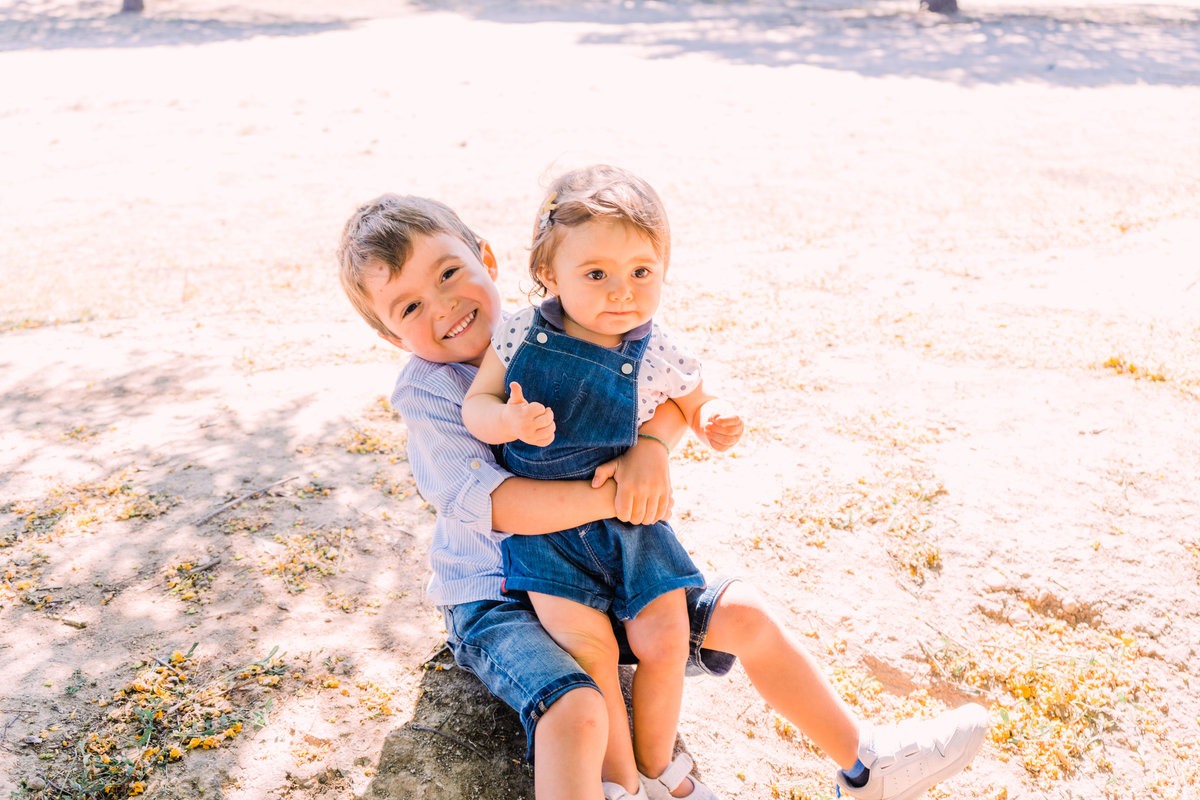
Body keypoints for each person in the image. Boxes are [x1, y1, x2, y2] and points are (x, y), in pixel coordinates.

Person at [335, 191, 989, 800]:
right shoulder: (429, 392)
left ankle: (863, 762)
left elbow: (671, 389)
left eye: (448, 273)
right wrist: (614, 496)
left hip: (602, 567)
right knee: (580, 707)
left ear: (487, 259)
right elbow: (497, 505)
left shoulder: (557, 321)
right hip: (498, 596)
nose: (443, 306)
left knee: (748, 614)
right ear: (392, 337)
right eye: (411, 307)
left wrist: (652, 449)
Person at [460, 165, 743, 800]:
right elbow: (474, 404)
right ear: (549, 275)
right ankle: (620, 784)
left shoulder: (655, 346)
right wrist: (503, 416)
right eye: (597, 275)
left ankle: (658, 767)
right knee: (589, 650)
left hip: (634, 525)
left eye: (642, 272)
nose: (623, 293)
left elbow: (694, 400)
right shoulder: (520, 332)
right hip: (550, 534)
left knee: (665, 637)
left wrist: (710, 418)